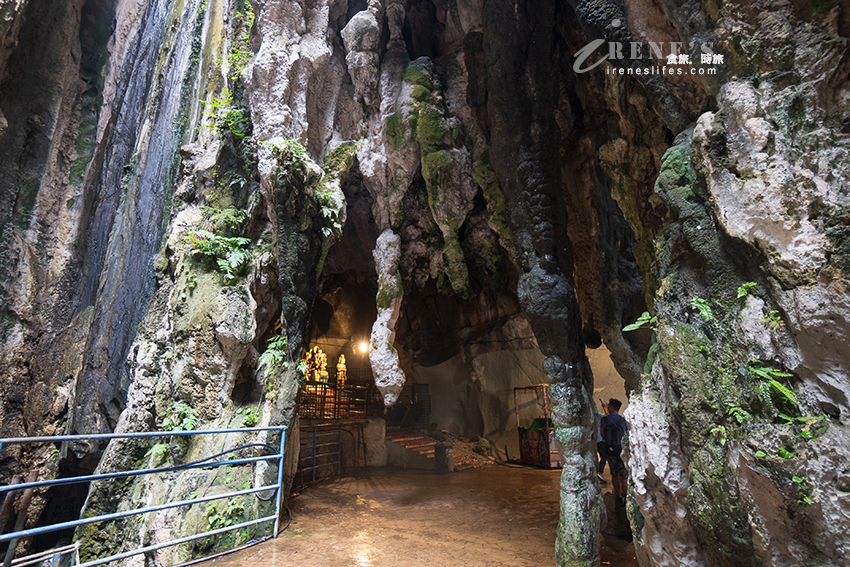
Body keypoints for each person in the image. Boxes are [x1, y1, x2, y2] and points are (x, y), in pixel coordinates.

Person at [600, 398, 628, 503]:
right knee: (624, 475)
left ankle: (618, 497)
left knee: (614, 474)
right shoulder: (622, 420)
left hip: (610, 449)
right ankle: (626, 497)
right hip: (621, 449)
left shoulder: (605, 419)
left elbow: (602, 434)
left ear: (611, 407)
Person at [597, 410, 608, 484]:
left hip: (593, 439)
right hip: (600, 439)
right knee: (604, 456)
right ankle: (599, 471)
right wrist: (604, 408)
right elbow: (607, 416)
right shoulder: (598, 415)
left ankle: (596, 472)